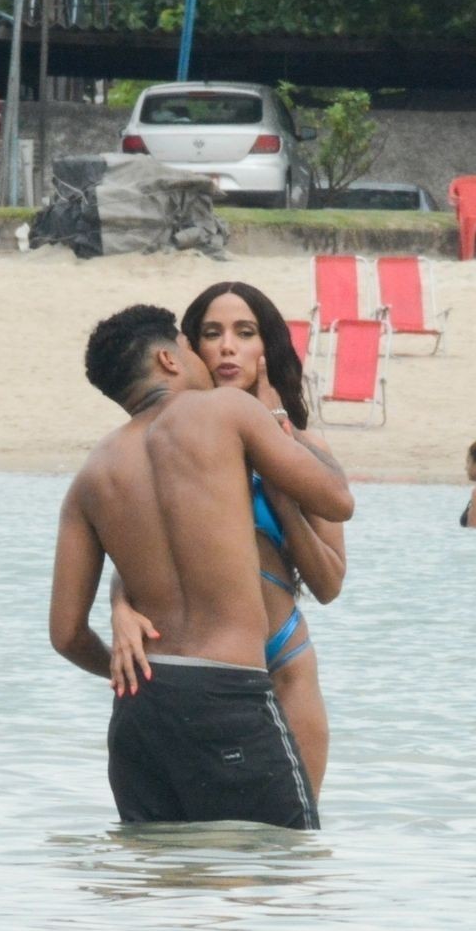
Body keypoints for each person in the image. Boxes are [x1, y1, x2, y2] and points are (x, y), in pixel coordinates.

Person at [49, 304, 355, 829]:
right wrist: (274, 420)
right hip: (227, 694)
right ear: (169, 359)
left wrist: (135, 671)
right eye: (192, 346)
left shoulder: (90, 477)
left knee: (158, 872)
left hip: (140, 712)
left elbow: (65, 634)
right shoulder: (227, 412)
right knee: (279, 861)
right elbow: (337, 500)